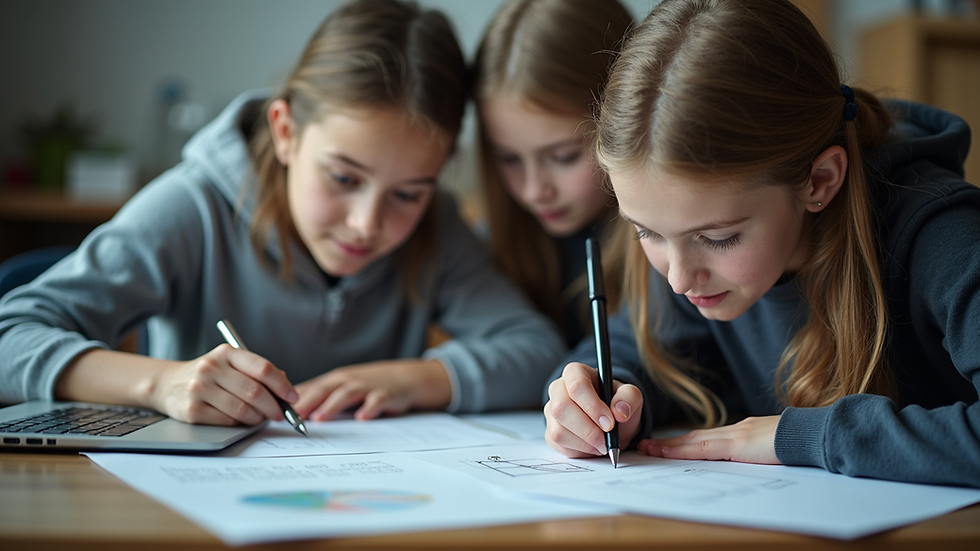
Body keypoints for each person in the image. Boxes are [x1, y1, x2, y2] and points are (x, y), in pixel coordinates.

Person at [0, 0, 565, 427]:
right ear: (286, 131)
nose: (367, 223)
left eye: (408, 193)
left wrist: (417, 378)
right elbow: (11, 335)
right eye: (344, 178)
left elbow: (536, 350)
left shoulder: (438, 229)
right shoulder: (194, 208)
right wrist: (160, 383)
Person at [543, 0, 980, 487]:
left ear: (820, 181)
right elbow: (633, 350)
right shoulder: (692, 247)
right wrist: (599, 396)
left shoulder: (947, 238)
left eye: (718, 237)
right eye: (646, 231)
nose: (678, 277)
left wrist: (801, 437)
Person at [472, 0, 633, 348]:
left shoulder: (667, 246)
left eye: (563, 156)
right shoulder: (487, 245)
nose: (533, 191)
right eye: (509, 158)